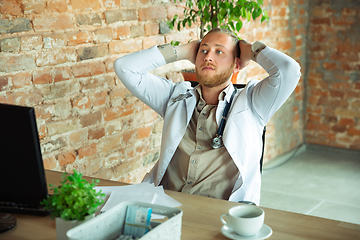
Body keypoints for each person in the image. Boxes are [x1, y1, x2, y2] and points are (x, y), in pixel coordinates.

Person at [114, 28, 301, 205]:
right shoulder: (175, 96)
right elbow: (124, 68)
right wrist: (183, 51)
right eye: (203, 51)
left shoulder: (253, 103)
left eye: (219, 52)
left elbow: (289, 71)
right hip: (165, 203)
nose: (208, 57)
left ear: (237, 64)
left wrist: (251, 50)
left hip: (219, 213)